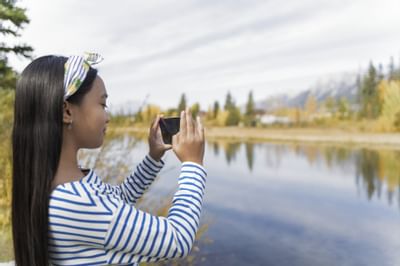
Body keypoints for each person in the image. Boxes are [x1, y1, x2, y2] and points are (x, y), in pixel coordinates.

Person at [11, 53, 206, 266]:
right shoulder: (76, 202)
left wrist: (153, 157)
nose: (108, 116)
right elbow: (178, 239)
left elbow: (118, 199)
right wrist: (193, 164)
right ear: (67, 111)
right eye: (102, 104)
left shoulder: (64, 185)